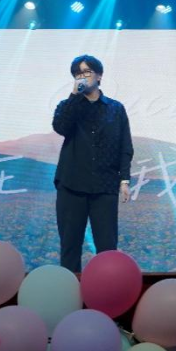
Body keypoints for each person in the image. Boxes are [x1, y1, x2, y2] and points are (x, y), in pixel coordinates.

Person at [52, 55, 134, 273]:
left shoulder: (116, 109)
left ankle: (108, 289)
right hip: (71, 185)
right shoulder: (67, 105)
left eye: (87, 72)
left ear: (99, 76)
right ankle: (69, 289)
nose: (82, 76)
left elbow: (125, 145)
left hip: (104, 186)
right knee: (70, 245)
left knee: (107, 247)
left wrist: (124, 179)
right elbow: (60, 127)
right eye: (78, 73)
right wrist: (74, 96)